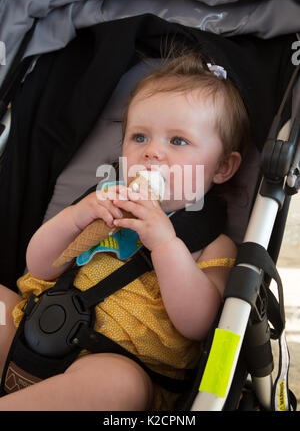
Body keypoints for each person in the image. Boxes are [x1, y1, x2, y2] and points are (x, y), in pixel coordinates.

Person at [0, 51, 249, 411]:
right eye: (139, 137)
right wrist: (74, 218)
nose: (152, 153)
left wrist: (164, 243)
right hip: (32, 329)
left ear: (223, 167)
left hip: (114, 366)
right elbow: (39, 266)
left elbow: (199, 323)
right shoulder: (100, 203)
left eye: (177, 141)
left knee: (119, 387)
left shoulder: (212, 244)